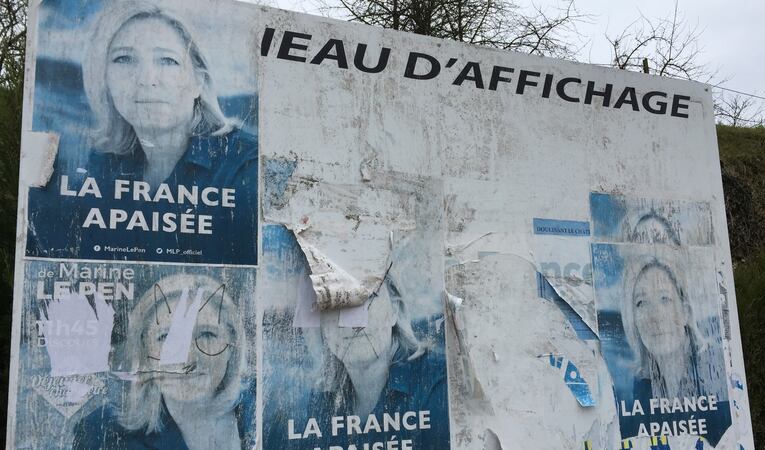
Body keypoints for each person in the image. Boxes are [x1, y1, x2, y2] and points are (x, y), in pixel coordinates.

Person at [25, 1, 257, 264]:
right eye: (124, 58)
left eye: (168, 61)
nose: (147, 78)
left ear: (198, 82)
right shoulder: (97, 167)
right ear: (104, 78)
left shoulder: (246, 169)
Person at [263, 277, 449, 449]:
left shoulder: (437, 385)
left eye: (368, 297)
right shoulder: (319, 404)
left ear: (395, 310)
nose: (354, 322)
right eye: (336, 301)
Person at [73, 274, 255, 450]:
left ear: (232, 345)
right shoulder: (99, 432)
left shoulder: (267, 412)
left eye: (207, 334)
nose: (188, 359)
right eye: (167, 337)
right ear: (144, 349)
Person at [621, 260, 704, 400]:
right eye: (641, 303)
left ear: (685, 312)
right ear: (633, 321)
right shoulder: (641, 385)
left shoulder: (711, 370)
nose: (655, 316)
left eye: (665, 299)